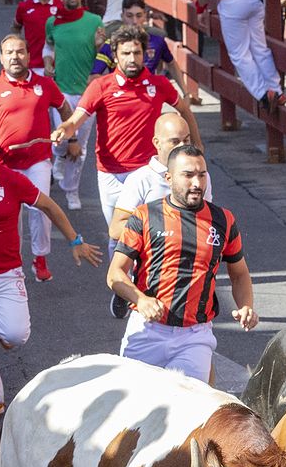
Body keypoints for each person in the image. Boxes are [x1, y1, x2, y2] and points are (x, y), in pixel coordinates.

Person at [0, 118, 98, 418]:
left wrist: (75, 240)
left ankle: (3, 331)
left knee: (13, 335)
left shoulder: (10, 179)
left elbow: (49, 206)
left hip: (6, 274)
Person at [108, 144, 255, 380]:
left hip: (194, 336)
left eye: (202, 174)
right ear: (168, 178)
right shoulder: (145, 216)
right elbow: (115, 274)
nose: (197, 183)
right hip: (147, 331)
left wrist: (246, 305)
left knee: (191, 408)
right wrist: (141, 300)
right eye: (188, 175)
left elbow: (239, 273)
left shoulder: (224, 220)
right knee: (135, 407)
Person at [54, 23, 201, 234]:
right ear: (114, 55)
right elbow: (75, 121)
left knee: (152, 236)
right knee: (117, 239)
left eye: (137, 53)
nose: (132, 59)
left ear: (144, 54)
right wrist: (63, 131)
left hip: (147, 172)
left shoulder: (159, 84)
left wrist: (197, 145)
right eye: (125, 53)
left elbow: (185, 111)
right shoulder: (100, 86)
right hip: (110, 174)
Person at [0, 33, 74, 282]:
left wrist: (68, 133)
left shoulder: (45, 85)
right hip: (3, 164)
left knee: (41, 209)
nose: (15, 57)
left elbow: (65, 109)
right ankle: (12, 263)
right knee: (8, 215)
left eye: (20, 52)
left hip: (37, 160)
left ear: (29, 56)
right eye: (9, 53)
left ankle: (40, 257)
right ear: (1, 58)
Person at [109, 110, 211, 228]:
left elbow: (207, 217)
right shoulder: (140, 179)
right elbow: (116, 228)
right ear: (157, 143)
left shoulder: (201, 176)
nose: (182, 147)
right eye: (175, 142)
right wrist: (162, 233)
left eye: (186, 140)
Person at [45, 0, 101, 209]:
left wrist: (99, 47)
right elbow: (48, 47)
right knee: (65, 139)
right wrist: (48, 61)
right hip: (61, 90)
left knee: (80, 146)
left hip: (87, 92)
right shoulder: (53, 22)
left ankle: (72, 191)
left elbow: (104, 55)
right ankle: (58, 156)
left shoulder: (95, 21)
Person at [92, 0, 184, 94]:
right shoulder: (112, 38)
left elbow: (139, 3)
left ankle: (154, 73)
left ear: (144, 15)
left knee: (160, 35)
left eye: (139, 16)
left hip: (130, 23)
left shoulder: (156, 38)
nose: (135, 20)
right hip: (113, 23)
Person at [209, 0, 284, 111]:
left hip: (231, 3)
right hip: (254, 1)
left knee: (240, 55)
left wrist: (200, 8)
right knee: (260, 49)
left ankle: (263, 93)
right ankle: (276, 90)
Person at [14, 0, 62, 69]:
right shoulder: (24, 6)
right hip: (33, 64)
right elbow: (16, 26)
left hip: (58, 65)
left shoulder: (61, 5)